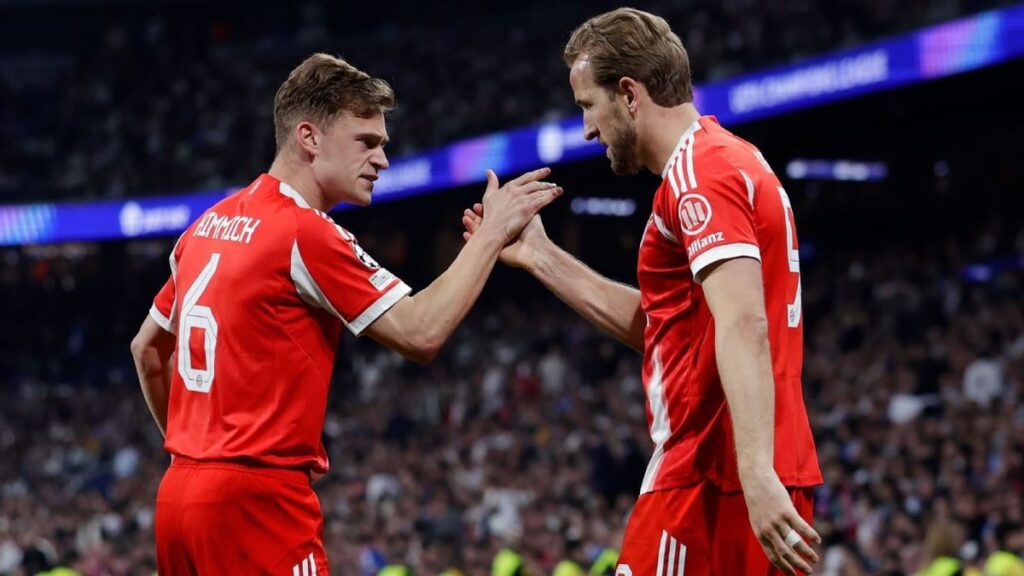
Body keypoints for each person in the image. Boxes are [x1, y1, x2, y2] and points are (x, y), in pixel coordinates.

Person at [129, 53, 562, 575]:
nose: (381, 160)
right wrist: (491, 234)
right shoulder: (304, 231)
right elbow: (420, 331)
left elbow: (147, 349)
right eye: (367, 142)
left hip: (179, 496)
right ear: (308, 138)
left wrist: (193, 453)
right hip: (259, 502)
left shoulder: (204, 226)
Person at [463, 8, 821, 575]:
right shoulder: (729, 159)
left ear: (629, 93)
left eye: (588, 105)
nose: (586, 129)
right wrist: (541, 256)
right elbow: (668, 328)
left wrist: (755, 473)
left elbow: (743, 324)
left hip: (712, 478)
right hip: (743, 471)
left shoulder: (699, 175)